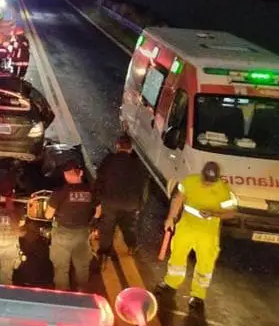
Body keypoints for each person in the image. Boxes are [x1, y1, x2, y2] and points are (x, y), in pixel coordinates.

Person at [156, 161, 237, 311]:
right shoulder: (190, 181)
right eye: (205, 180)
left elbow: (231, 212)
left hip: (208, 234)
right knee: (177, 257)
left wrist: (214, 214)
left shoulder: (224, 191)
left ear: (218, 179)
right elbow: (178, 199)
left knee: (205, 264)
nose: (207, 184)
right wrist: (171, 217)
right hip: (186, 228)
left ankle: (198, 295)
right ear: (202, 175)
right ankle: (171, 283)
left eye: (210, 182)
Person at [45, 161, 101, 292]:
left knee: (61, 268)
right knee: (82, 267)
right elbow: (99, 210)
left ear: (65, 175)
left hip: (62, 234)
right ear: (81, 173)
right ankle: (83, 294)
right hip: (82, 234)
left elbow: (48, 215)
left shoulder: (60, 193)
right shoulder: (90, 191)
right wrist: (93, 221)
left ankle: (63, 294)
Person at [94, 133, 147, 258]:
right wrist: (140, 203)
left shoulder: (109, 160)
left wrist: (97, 199)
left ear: (117, 145)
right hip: (130, 202)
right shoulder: (137, 164)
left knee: (107, 226)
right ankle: (132, 246)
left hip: (110, 200)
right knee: (128, 225)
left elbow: (100, 180)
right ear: (131, 148)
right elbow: (142, 185)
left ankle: (104, 250)